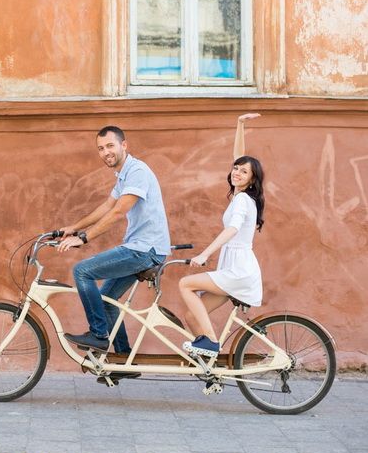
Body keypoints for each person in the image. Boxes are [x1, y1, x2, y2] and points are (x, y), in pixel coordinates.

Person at [56, 125, 171, 353]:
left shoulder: (137, 171)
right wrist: (73, 228)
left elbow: (118, 211)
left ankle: (99, 334)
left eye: (110, 146)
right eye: (100, 148)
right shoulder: (124, 174)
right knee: (107, 298)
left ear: (124, 145)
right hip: (139, 247)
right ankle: (123, 358)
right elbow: (108, 205)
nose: (106, 152)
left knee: (82, 271)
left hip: (144, 249)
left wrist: (84, 238)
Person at [179, 113, 265, 357]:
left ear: (251, 180)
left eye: (244, 172)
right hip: (233, 269)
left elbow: (232, 230)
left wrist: (205, 254)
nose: (237, 172)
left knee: (185, 284)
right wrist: (239, 124)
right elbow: (238, 157)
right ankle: (211, 360)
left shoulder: (242, 200)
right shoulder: (242, 197)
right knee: (191, 314)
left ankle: (211, 346)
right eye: (235, 168)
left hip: (238, 271)